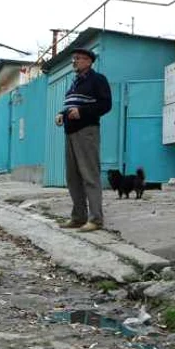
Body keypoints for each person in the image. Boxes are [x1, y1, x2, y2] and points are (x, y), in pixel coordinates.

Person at [55, 48, 112, 232]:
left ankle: (95, 219)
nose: (74, 61)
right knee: (73, 178)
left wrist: (82, 112)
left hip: (87, 131)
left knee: (89, 175)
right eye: (74, 59)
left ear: (88, 61)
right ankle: (78, 217)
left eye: (78, 59)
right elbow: (72, 104)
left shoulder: (97, 80)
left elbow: (105, 104)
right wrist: (61, 114)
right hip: (70, 133)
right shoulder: (74, 84)